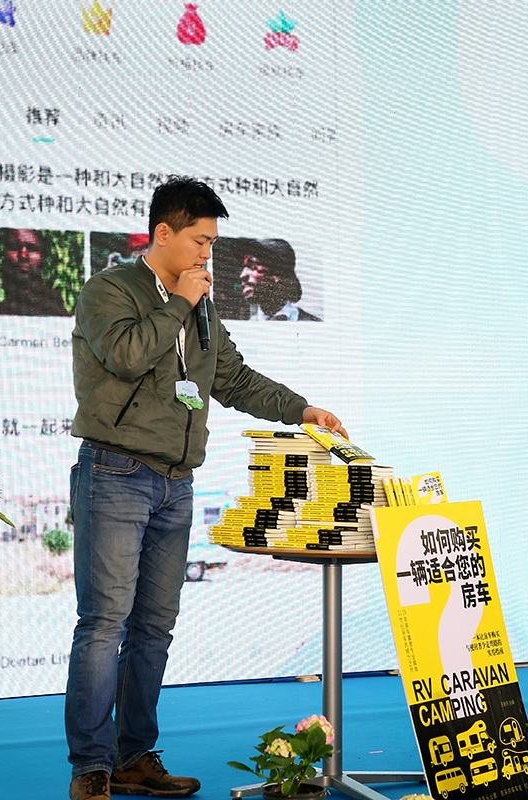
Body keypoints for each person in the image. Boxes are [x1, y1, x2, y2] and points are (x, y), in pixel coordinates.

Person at [66, 178, 345, 800]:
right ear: (162, 233)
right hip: (115, 473)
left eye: (213, 243)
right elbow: (125, 355)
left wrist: (301, 409)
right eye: (198, 240)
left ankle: (134, 757)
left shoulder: (201, 307)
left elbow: (233, 378)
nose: (206, 254)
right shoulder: (110, 290)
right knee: (104, 622)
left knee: (154, 627)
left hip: (176, 482)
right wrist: (178, 304)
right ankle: (91, 767)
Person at [238, 238, 320, 321]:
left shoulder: (313, 324)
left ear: (278, 275)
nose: (242, 275)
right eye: (244, 267)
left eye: (252, 266)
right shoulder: (246, 326)